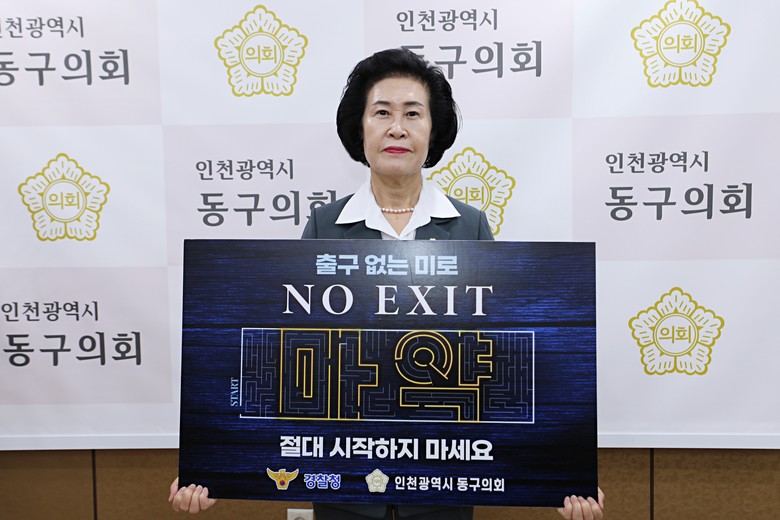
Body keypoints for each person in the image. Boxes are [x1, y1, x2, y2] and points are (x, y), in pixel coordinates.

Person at [170, 48, 604, 520]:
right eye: (382, 112)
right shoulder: (324, 225)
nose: (397, 128)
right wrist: (214, 467)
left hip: (443, 481)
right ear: (360, 129)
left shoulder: (469, 226)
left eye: (413, 114)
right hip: (344, 484)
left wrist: (562, 474)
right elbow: (287, 360)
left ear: (433, 131)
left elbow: (500, 360)